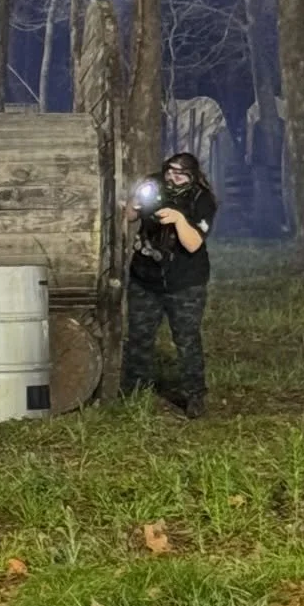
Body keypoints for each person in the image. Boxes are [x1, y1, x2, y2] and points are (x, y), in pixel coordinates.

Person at [119, 150, 218, 418]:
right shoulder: (153, 185)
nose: (173, 177)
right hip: (145, 277)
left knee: (186, 340)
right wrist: (136, 202)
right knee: (139, 337)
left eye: (180, 173)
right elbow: (129, 216)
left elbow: (193, 243)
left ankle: (194, 395)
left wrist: (178, 219)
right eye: (170, 170)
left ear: (193, 176)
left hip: (185, 282)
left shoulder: (202, 199)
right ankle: (134, 392)